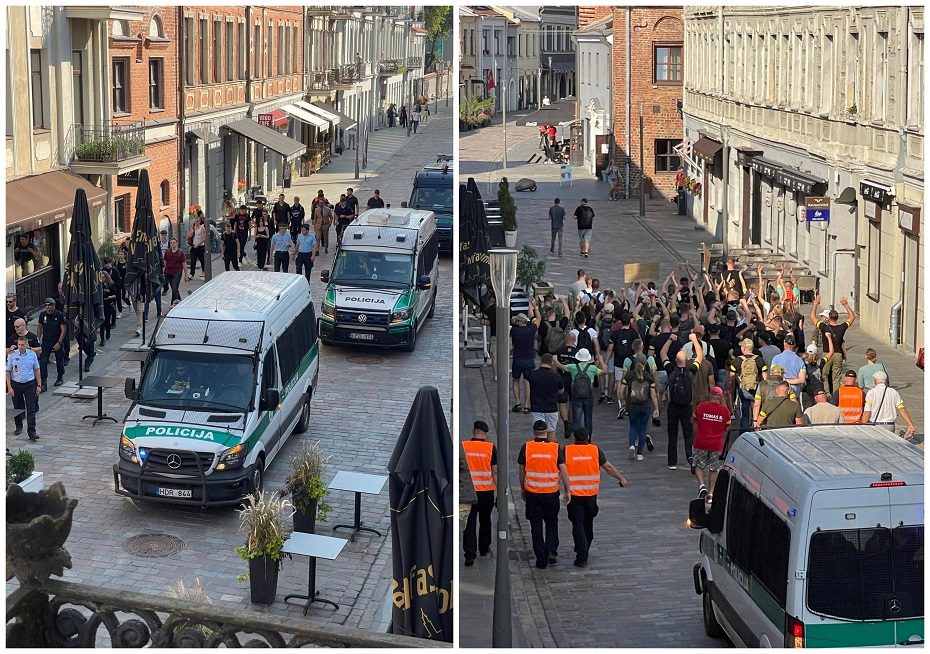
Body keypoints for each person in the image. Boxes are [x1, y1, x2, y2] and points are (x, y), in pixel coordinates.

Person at [564, 427, 628, 567]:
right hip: (591, 495)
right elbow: (608, 467)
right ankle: (585, 547)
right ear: (587, 438)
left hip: (575, 495)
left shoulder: (567, 451)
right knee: (588, 523)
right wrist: (621, 478)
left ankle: (582, 554)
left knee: (577, 524)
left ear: (574, 438)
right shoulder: (595, 450)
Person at [518, 420, 571, 570]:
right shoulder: (555, 448)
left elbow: (522, 472)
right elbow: (564, 471)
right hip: (550, 493)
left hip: (533, 493)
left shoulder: (526, 448)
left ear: (534, 432)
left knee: (536, 525)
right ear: (547, 432)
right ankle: (551, 550)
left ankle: (541, 557)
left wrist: (522, 488)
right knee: (551, 522)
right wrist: (568, 490)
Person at [462, 420, 497, 566]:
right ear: (485, 434)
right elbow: (495, 472)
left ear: (473, 431)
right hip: (486, 491)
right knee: (485, 519)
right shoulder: (491, 448)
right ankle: (483, 548)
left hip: (468, 491)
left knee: (469, 522)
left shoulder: (463, 446)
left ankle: (470, 554)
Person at [552, 347, 608, 437]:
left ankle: (577, 437)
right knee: (588, 417)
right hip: (588, 395)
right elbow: (605, 371)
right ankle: (588, 437)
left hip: (576, 395)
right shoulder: (592, 368)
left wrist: (555, 359)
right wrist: (601, 360)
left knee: (576, 418)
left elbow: (559, 366)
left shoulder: (573, 367)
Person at [809, 295, 855, 395]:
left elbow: (812, 317)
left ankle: (826, 393)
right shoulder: (842, 327)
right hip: (838, 354)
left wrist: (815, 305)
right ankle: (836, 394)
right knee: (836, 377)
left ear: (829, 318)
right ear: (837, 318)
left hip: (827, 353)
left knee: (824, 374)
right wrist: (846, 305)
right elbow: (852, 317)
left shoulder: (824, 327)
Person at [618, 353, 660, 461]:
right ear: (645, 363)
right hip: (645, 406)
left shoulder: (629, 375)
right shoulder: (648, 376)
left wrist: (622, 399)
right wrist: (656, 408)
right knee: (642, 429)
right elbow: (653, 394)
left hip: (632, 406)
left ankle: (632, 445)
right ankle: (640, 454)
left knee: (633, 427)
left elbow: (621, 391)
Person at [692, 387, 731, 502]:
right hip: (716, 444)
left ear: (710, 395)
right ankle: (711, 494)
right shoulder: (724, 411)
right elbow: (727, 428)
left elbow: (694, 420)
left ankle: (702, 486)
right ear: (720, 397)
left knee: (699, 465)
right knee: (714, 469)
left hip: (701, 441)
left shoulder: (701, 407)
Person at [862, 371, 917, 437]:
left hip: (876, 426)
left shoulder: (871, 393)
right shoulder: (893, 392)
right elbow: (902, 409)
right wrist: (910, 424)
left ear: (875, 380)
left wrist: (863, 426)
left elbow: (867, 412)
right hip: (890, 425)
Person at [7, 336, 41, 439]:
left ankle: (32, 432)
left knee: (31, 408)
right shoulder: (12, 355)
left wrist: (39, 385)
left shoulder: (32, 354)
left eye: (23, 345)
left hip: (29, 384)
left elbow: (37, 370)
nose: (21, 347)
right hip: (16, 384)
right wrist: (9, 387)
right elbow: (7, 372)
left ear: (26, 345)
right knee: (17, 407)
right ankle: (18, 426)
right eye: (19, 345)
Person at [510, 303, 541, 413]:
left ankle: (518, 402)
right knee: (527, 382)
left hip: (517, 359)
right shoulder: (531, 330)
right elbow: (538, 318)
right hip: (529, 359)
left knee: (515, 380)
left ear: (518, 321)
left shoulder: (514, 331)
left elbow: (508, 323)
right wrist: (534, 306)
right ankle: (527, 404)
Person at [729, 338, 764, 431]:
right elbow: (765, 376)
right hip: (756, 390)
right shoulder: (759, 360)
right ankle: (755, 430)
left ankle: (744, 433)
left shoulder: (736, 361)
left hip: (743, 390)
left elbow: (731, 378)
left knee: (744, 414)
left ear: (744, 348)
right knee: (755, 411)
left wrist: (730, 392)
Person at [526, 354, 564, 441]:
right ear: (552, 362)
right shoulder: (556, 376)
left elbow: (528, 386)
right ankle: (552, 451)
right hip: (551, 408)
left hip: (537, 407)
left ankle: (539, 450)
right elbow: (561, 390)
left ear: (541, 361)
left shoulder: (533, 374)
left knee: (538, 431)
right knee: (551, 431)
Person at [36, 298, 66, 390]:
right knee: (43, 361)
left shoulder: (59, 315)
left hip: (56, 340)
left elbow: (63, 330)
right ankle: (44, 383)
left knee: (60, 360)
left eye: (49, 305)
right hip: (46, 341)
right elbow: (40, 327)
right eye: (46, 305)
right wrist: (38, 340)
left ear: (53, 305)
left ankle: (60, 377)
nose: (48, 307)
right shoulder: (42, 315)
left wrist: (59, 342)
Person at [771, 334, 807, 400]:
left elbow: (774, 376)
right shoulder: (800, 361)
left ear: (784, 343)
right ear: (794, 345)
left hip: (780, 393)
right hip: (795, 394)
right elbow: (802, 380)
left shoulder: (776, 358)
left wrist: (784, 380)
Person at [163, 238, 186, 303]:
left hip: (177, 272)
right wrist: (163, 270)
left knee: (174, 288)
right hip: (168, 272)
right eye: (171, 243)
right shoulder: (167, 252)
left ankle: (174, 303)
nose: (172, 244)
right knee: (174, 288)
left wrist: (186, 275)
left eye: (174, 242)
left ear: (177, 243)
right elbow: (165, 261)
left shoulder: (180, 252)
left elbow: (184, 264)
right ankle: (179, 301)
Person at [187, 215, 207, 280]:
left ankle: (204, 271)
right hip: (193, 247)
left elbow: (204, 238)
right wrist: (190, 234)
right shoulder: (192, 228)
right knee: (193, 260)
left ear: (200, 221)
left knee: (202, 260)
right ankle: (191, 274)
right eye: (195, 221)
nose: (196, 222)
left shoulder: (202, 228)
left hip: (200, 247)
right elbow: (189, 236)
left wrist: (197, 245)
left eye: (197, 221)